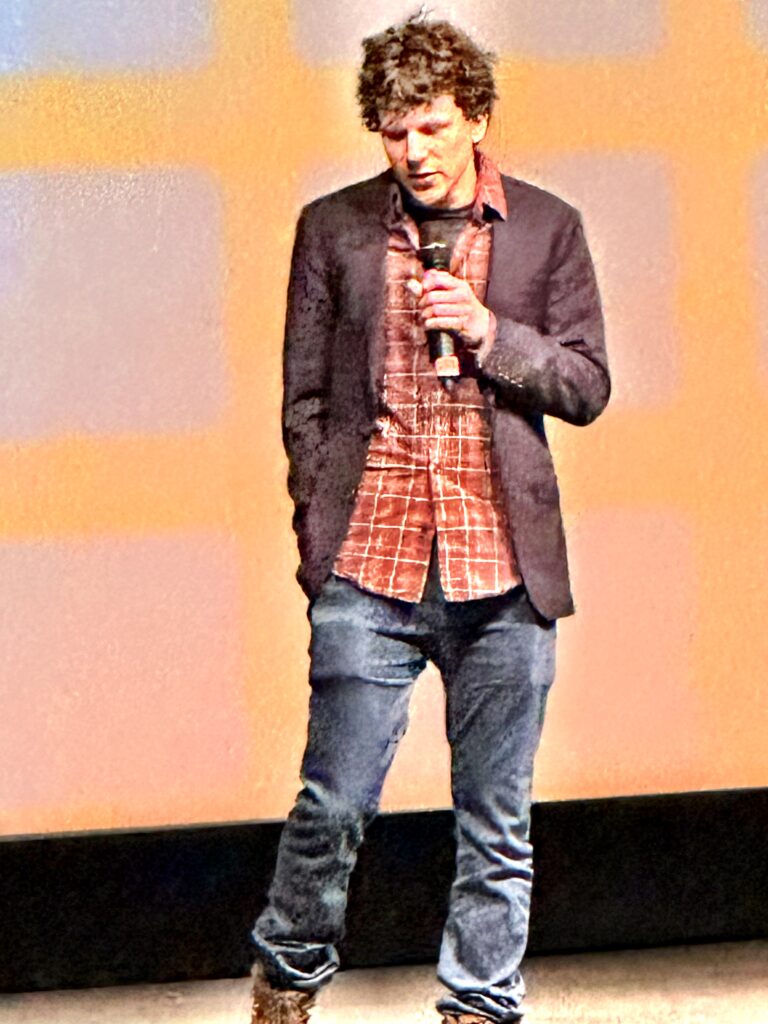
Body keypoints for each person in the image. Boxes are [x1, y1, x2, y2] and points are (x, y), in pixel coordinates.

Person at [250, 14, 609, 1024]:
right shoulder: (336, 228)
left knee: (497, 821)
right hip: (371, 564)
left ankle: (478, 1007)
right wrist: (321, 538)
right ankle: (286, 977)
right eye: (396, 131)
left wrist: (491, 333)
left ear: (478, 120)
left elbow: (585, 382)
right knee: (333, 804)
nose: (414, 151)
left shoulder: (546, 228)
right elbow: (306, 400)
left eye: (434, 127)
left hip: (502, 573)